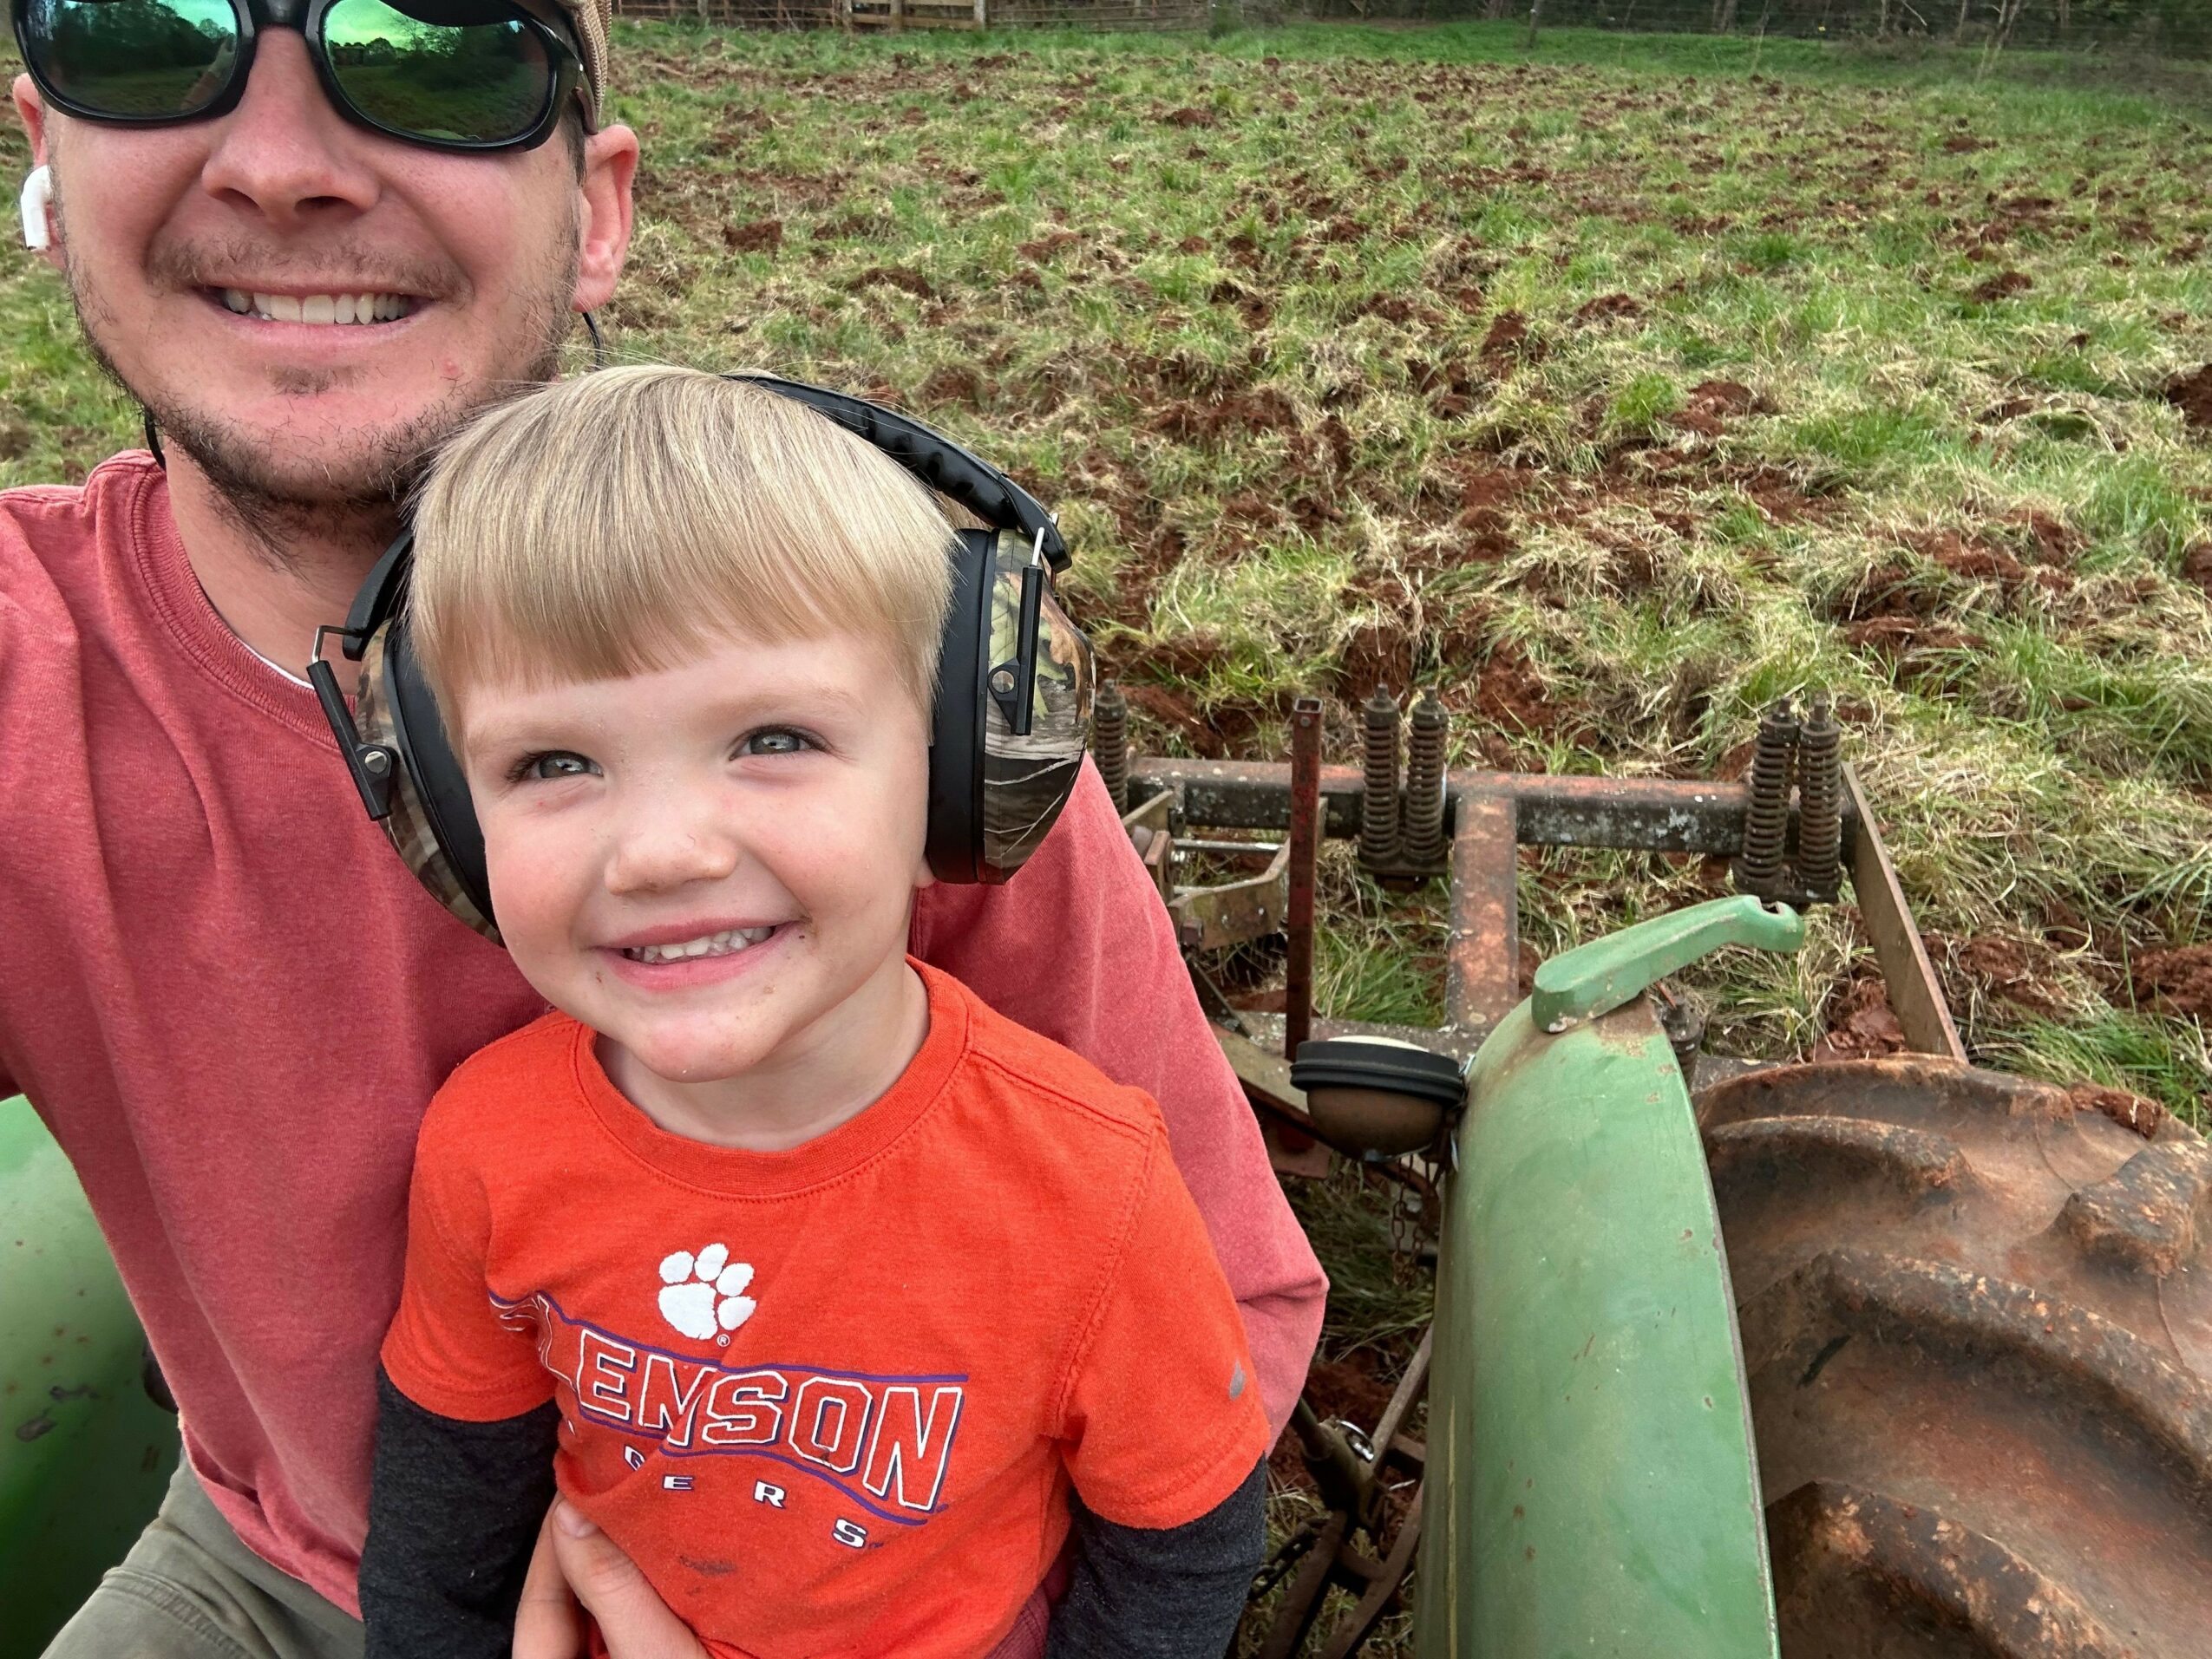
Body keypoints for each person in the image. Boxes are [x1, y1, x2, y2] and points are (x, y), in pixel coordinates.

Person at [0, 0, 1326, 1654]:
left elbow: (1206, 1346)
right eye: (145, 27)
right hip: (281, 1560)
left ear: (597, 210)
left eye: (439, 46)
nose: (278, 165)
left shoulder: (858, 658)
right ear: (46, 151)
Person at [357, 364, 1272, 1659]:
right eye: (553, 763)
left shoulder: (1089, 1186)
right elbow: (439, 1543)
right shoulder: (488, 1148)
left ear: (952, 779)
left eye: (773, 738)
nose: (661, 852)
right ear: (455, 821)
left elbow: (1182, 1541)